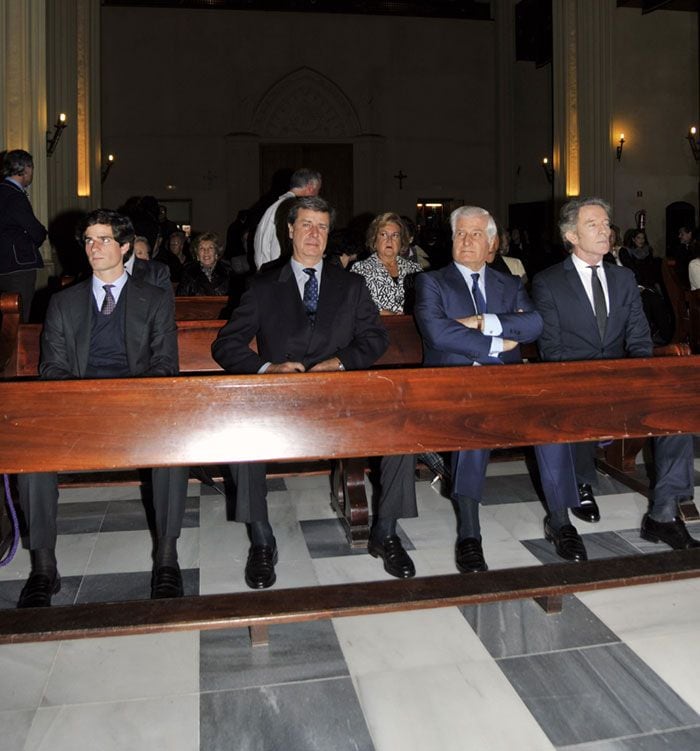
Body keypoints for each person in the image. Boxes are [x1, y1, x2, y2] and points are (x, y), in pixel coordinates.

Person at [213, 196, 418, 588]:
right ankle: (261, 539)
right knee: (241, 434)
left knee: (399, 427)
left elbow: (375, 337)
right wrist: (267, 368)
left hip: (341, 393)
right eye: (305, 225)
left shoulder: (351, 284)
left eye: (321, 227)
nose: (313, 234)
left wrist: (340, 361)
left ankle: (386, 531)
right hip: (282, 397)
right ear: (288, 230)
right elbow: (226, 345)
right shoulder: (261, 286)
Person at [16, 209, 189, 608]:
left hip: (138, 409)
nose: (94, 248)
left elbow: (165, 365)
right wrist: (89, 408)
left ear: (125, 247)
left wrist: (125, 404)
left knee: (172, 451)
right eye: (89, 240)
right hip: (78, 411)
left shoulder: (155, 299)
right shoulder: (63, 302)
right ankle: (44, 567)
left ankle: (166, 559)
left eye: (104, 239)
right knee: (32, 458)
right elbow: (53, 369)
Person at [414, 206, 586, 572]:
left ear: (491, 242)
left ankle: (560, 521)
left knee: (549, 423)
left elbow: (534, 325)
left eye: (476, 234)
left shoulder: (508, 284)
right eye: (460, 233)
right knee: (475, 425)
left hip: (508, 385)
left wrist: (480, 321)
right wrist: (497, 341)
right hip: (453, 385)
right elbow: (437, 332)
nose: (466, 240)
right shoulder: (432, 282)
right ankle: (470, 532)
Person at [532, 197, 699, 549]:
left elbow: (639, 338)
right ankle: (562, 516)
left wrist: (637, 383)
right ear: (570, 235)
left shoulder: (623, 278)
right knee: (549, 417)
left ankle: (664, 515)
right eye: (593, 224)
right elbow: (553, 351)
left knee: (675, 412)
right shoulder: (549, 282)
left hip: (621, 381)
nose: (605, 230)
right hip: (573, 384)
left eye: (606, 223)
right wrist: (596, 388)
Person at [0, 150, 47, 321]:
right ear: (26, 169)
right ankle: (17, 349)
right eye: (31, 168)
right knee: (19, 318)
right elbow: (34, 230)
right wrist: (41, 234)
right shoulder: (14, 195)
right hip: (18, 265)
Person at [351, 212, 423, 314]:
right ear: (374, 240)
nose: (389, 240)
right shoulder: (360, 269)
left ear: (401, 241)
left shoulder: (415, 269)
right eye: (383, 234)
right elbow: (355, 306)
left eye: (395, 235)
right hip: (376, 327)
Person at [253, 168, 322, 270]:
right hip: (278, 275)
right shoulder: (291, 208)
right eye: (318, 191)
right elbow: (279, 249)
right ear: (311, 187)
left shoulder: (275, 206)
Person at [177, 232, 232, 296]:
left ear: (216, 253)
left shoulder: (228, 271)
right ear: (197, 255)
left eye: (210, 248)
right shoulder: (188, 272)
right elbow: (182, 299)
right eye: (201, 248)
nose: (206, 251)